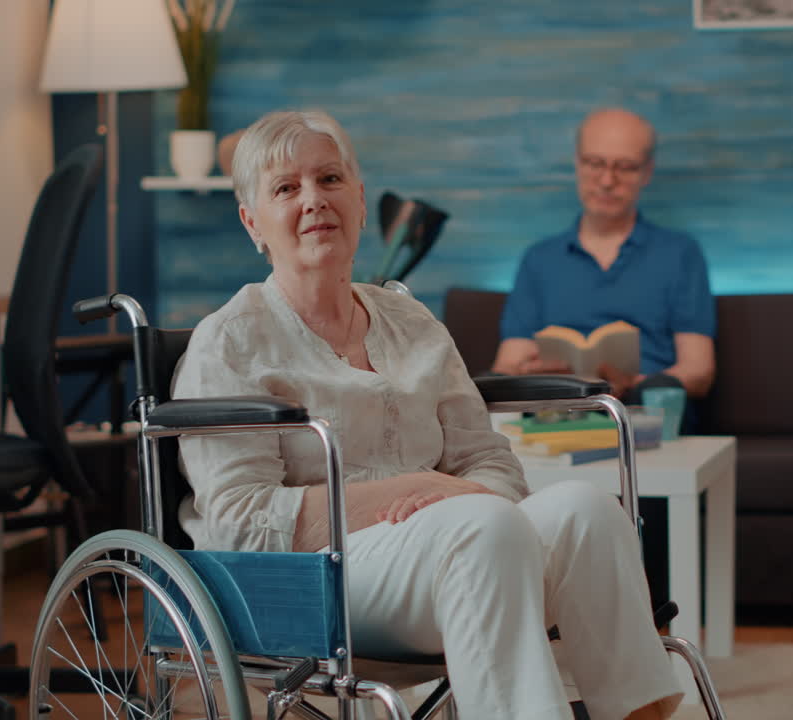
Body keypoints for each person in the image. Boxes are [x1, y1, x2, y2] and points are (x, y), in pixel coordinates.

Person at [172, 110, 681, 720]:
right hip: (311, 582)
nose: (314, 200)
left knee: (587, 510)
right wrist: (421, 493)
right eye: (286, 188)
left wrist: (459, 496)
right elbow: (240, 523)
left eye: (330, 179)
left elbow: (488, 461)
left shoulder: (411, 323)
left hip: (460, 550)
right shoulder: (229, 342)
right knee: (483, 528)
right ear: (252, 221)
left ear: (360, 200)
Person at [492, 108, 716, 406]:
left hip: (644, 413)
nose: (607, 181)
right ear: (577, 163)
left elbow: (699, 371)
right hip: (556, 415)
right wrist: (529, 375)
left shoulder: (680, 253)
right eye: (595, 163)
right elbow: (507, 365)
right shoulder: (539, 260)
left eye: (626, 167)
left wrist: (633, 386)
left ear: (647, 172)